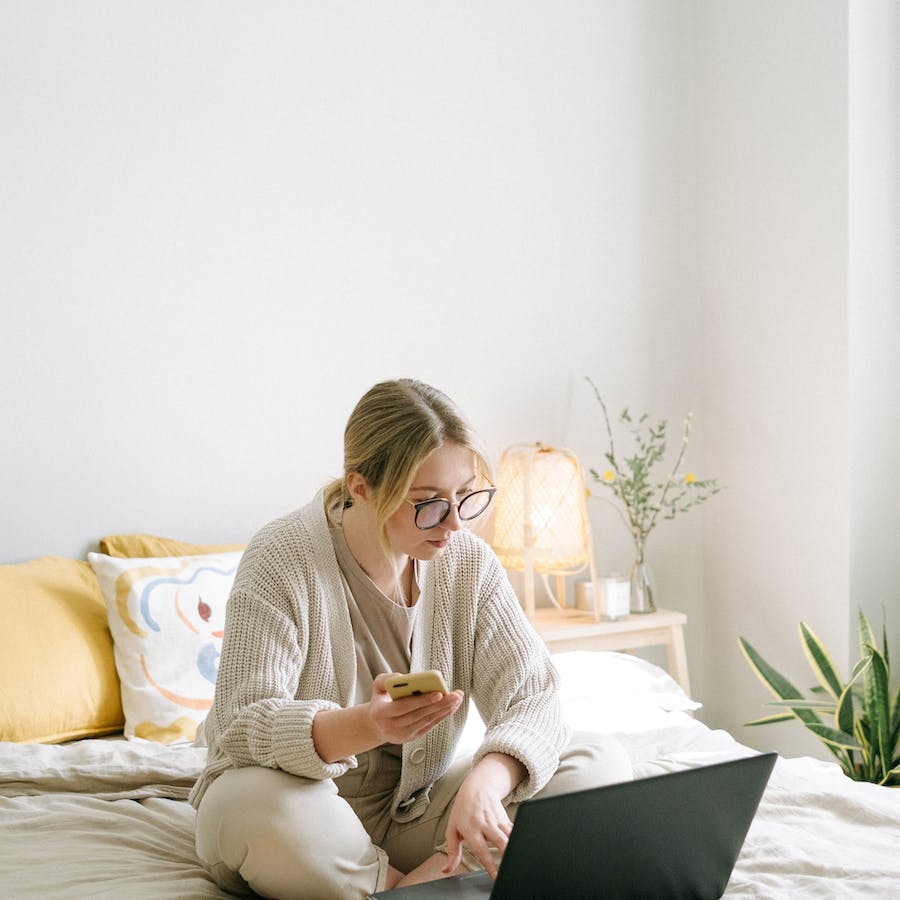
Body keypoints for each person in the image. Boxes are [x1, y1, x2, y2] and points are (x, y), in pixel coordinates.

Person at [190, 378, 632, 899]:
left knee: (598, 761)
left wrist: (484, 784)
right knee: (246, 803)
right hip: (303, 816)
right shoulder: (280, 557)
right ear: (361, 487)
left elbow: (533, 697)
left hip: (414, 815)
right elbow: (241, 725)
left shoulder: (466, 563)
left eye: (465, 496)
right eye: (427, 502)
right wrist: (367, 725)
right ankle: (432, 885)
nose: (454, 524)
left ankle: (412, 890)